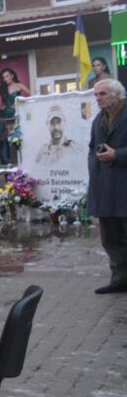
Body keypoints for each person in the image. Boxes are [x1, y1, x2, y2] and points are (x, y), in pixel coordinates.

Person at [89, 79, 127, 294]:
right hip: (105, 185)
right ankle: (120, 279)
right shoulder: (99, 119)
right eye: (96, 95)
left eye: (102, 94)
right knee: (110, 237)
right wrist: (93, 166)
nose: (98, 98)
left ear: (116, 94)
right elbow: (91, 147)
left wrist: (118, 154)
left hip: (124, 182)